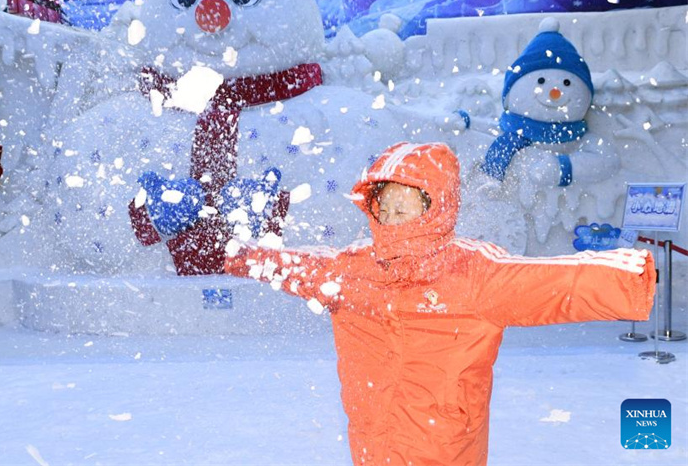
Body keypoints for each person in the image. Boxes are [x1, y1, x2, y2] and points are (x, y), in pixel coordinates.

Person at [224, 141, 656, 466]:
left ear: (437, 208)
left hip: (443, 449)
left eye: (405, 206)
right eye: (385, 207)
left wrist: (630, 279)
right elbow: (299, 266)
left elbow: (555, 281)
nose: (392, 218)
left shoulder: (472, 275)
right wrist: (240, 256)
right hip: (372, 445)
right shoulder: (352, 270)